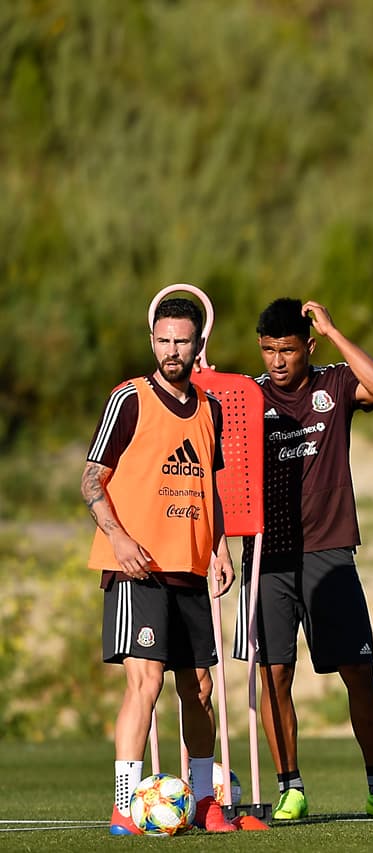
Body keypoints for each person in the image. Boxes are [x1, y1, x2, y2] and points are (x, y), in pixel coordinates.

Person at [233, 297, 373, 820]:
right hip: (268, 555)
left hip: (330, 549)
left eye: (288, 350)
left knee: (358, 669)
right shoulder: (249, 396)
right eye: (269, 350)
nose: (278, 361)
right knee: (273, 673)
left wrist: (334, 331)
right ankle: (290, 789)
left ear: (308, 348)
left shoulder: (335, 383)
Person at [83, 297, 239, 835]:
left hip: (189, 568)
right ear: (152, 341)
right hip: (137, 568)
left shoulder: (211, 409)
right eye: (164, 340)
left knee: (199, 689)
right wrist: (118, 537)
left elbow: (210, 485)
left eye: (182, 341)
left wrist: (220, 547)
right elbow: (90, 479)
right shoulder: (129, 398)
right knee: (145, 684)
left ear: (199, 345)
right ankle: (125, 805)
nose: (173, 350)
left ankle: (205, 802)